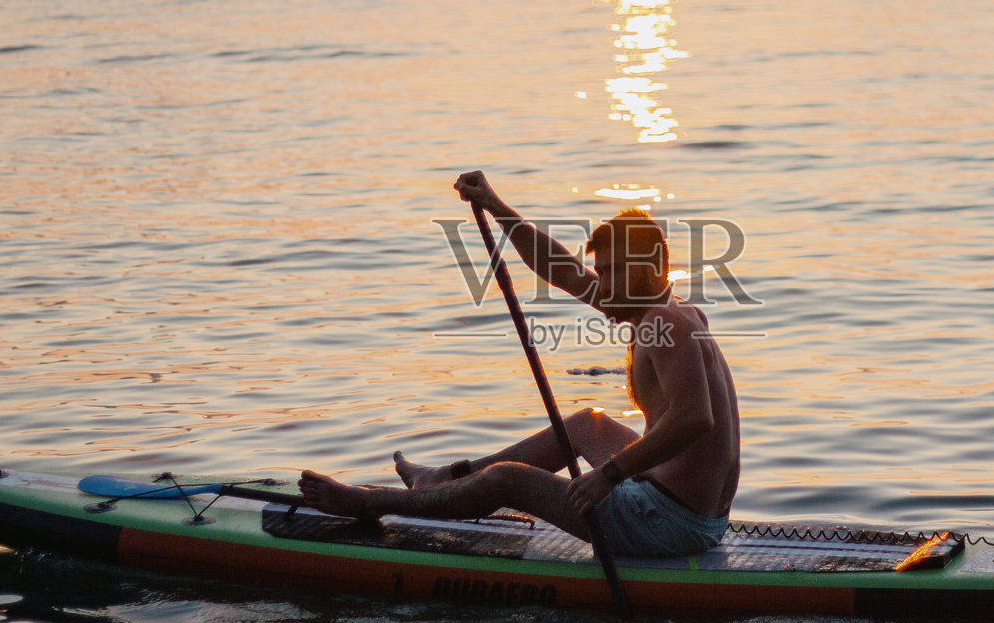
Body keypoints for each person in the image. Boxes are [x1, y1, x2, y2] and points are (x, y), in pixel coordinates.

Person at [298, 170, 741, 558]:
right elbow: (565, 271)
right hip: (693, 516)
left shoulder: (665, 322)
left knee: (508, 481)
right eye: (603, 271)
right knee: (587, 424)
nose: (603, 286)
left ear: (656, 263)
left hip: (665, 523)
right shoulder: (667, 309)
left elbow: (693, 419)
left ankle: (370, 502)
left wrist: (608, 475)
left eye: (615, 271)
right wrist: (495, 206)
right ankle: (444, 478)